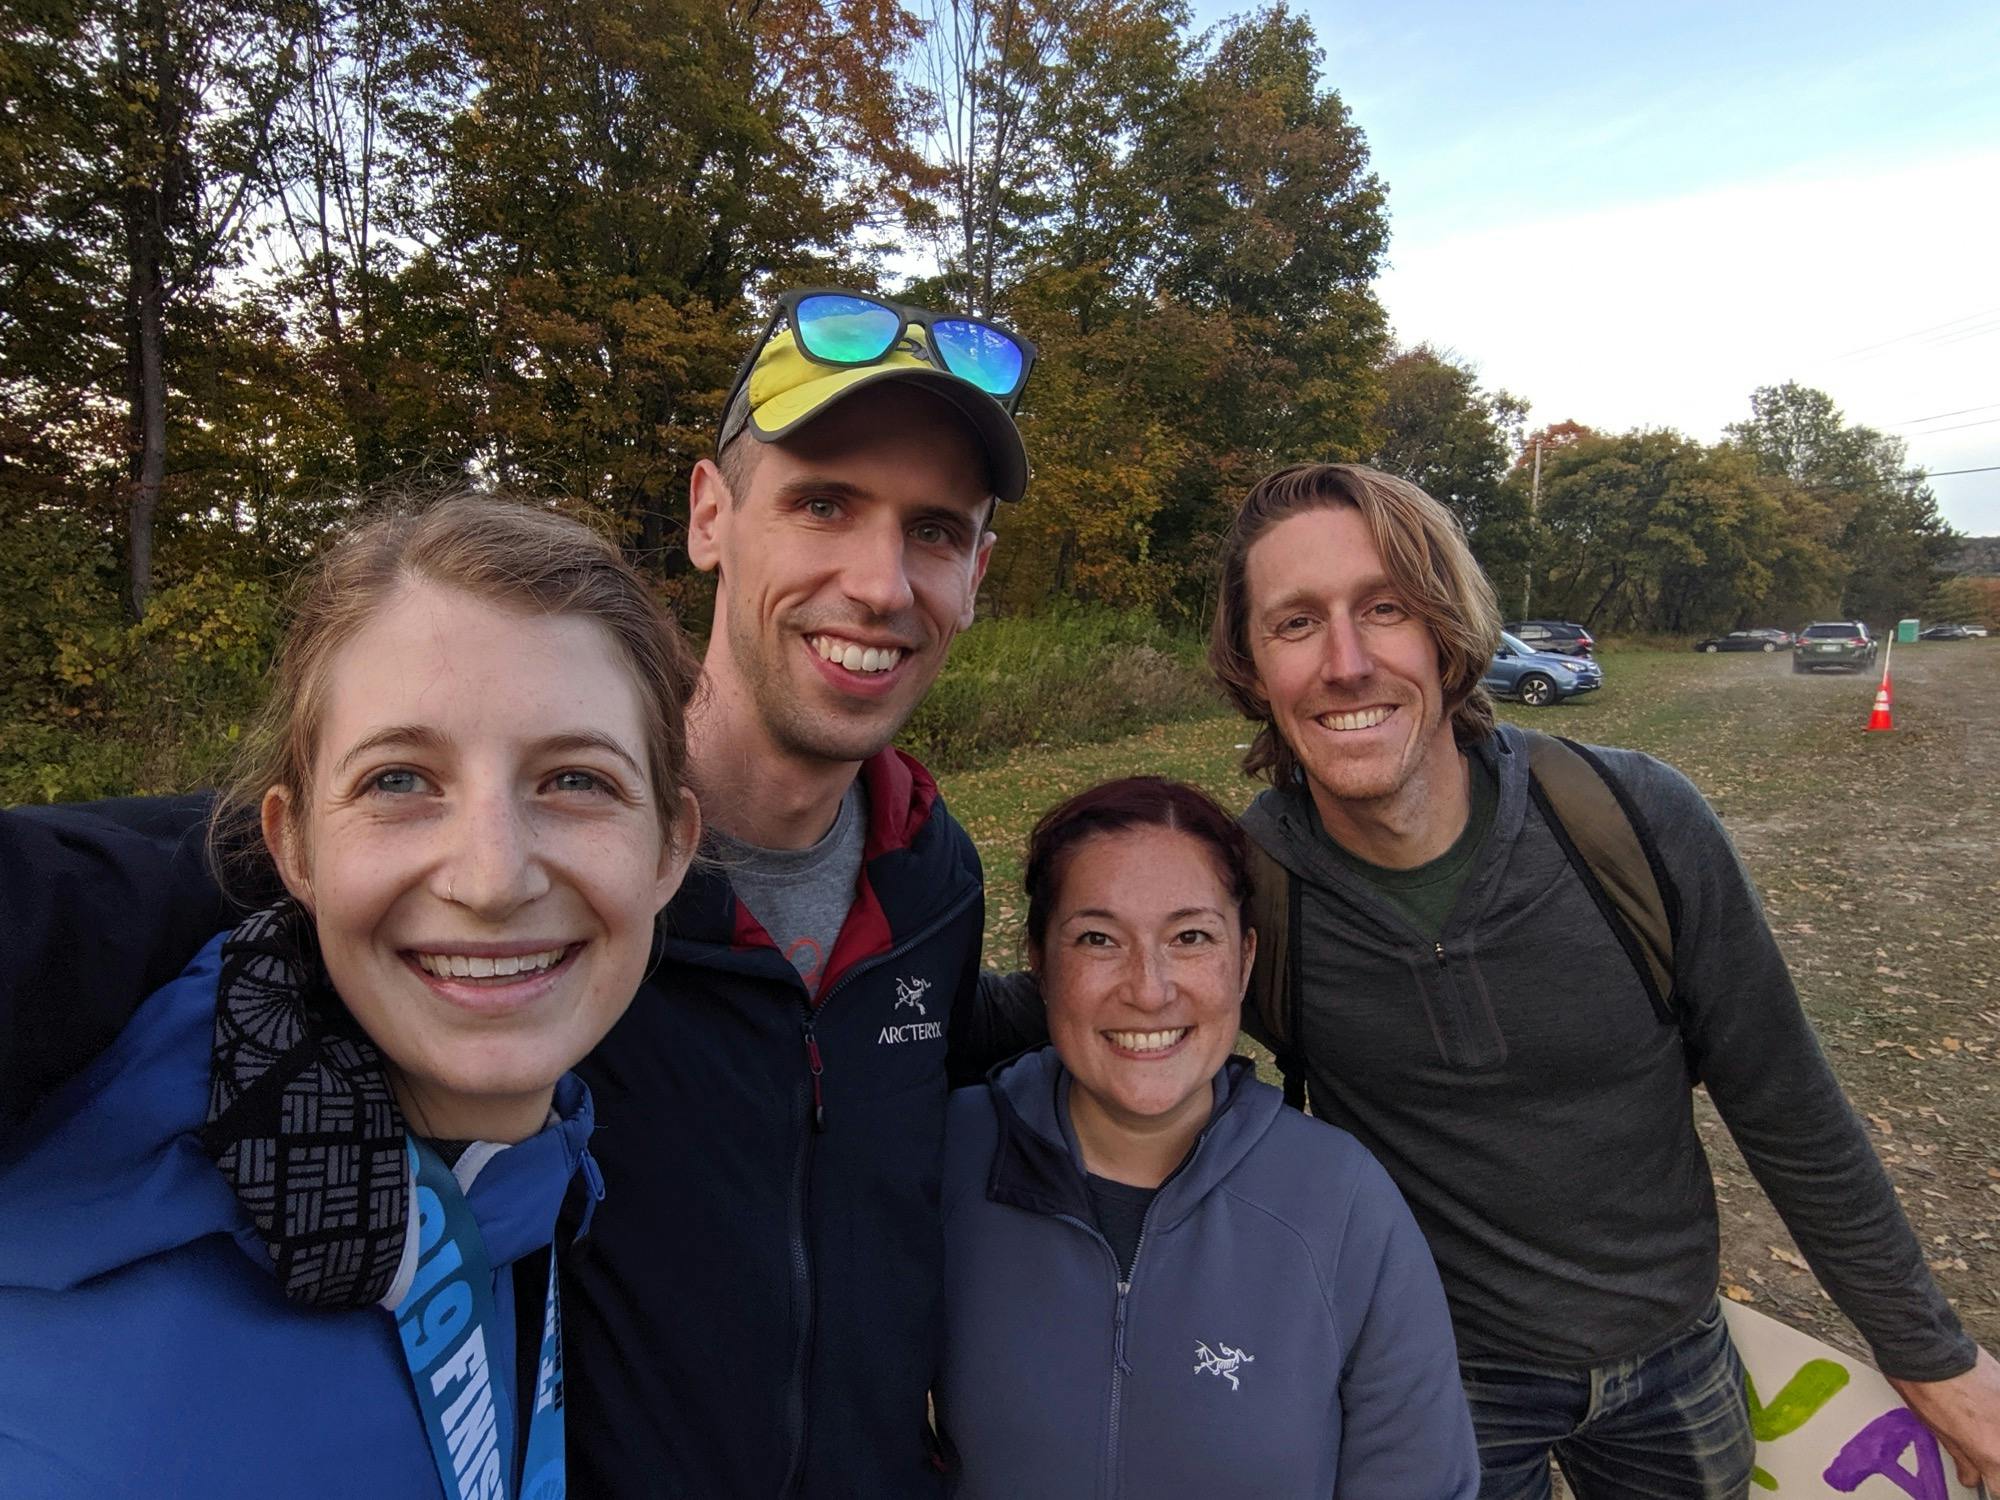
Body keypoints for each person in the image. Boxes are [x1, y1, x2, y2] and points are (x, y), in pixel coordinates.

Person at [0, 288, 1034, 1497]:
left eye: (933, 531)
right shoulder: (483, 892)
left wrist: (1168, 983)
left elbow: (948, 1057)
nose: (878, 582)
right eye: (821, 504)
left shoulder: (935, 878)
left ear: (974, 574)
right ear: (711, 514)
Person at [1199, 463, 2000, 1497]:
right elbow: (1102, 1014)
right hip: (1431, 1372)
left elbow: (1785, 1105)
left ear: (1445, 630)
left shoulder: (1632, 823)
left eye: (1383, 608)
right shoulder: (1246, 888)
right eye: (1294, 624)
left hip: (1673, 1352)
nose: (1344, 662)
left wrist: (1928, 1353)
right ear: (1251, 667)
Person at [0, 497, 703, 1495]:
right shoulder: (71, 1167)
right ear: (292, 845)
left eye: (575, 781)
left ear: (670, 847)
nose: (493, 878)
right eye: (399, 781)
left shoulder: (541, 1178)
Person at [936, 777, 1479, 1500]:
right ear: (1038, 959)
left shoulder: (1342, 1204)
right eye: (1098, 938)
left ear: (1245, 959)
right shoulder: (944, 1164)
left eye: (1190, 936)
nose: (1150, 989)